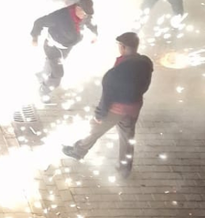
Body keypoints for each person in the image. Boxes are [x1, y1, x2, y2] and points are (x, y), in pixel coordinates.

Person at [62, 33, 153, 176]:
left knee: (95, 130)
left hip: (116, 109)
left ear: (122, 47)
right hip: (134, 107)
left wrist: (100, 114)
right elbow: (146, 85)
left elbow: (107, 97)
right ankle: (124, 169)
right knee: (127, 137)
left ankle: (78, 151)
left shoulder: (114, 73)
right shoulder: (146, 63)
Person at [31, 0, 97, 102]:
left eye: (87, 15)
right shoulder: (61, 16)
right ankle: (44, 91)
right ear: (77, 8)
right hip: (52, 47)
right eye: (84, 13)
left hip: (66, 48)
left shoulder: (84, 16)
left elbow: (90, 22)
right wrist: (35, 37)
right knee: (58, 74)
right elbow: (39, 22)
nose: (85, 16)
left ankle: (40, 76)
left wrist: (94, 34)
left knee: (51, 64)